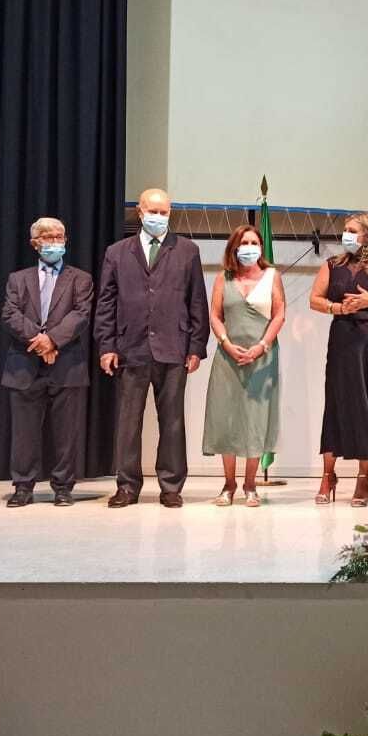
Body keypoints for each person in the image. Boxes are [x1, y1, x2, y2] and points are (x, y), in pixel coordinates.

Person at [95, 188, 209, 508]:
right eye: (153, 211)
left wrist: (196, 346)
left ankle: (171, 486)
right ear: (140, 212)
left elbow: (196, 300)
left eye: (165, 212)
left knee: (172, 421)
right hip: (130, 347)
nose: (159, 217)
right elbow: (105, 304)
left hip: (174, 346)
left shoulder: (187, 250)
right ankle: (127, 486)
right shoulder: (117, 252)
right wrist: (106, 346)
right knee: (128, 422)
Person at [310, 212, 368, 507]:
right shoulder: (333, 265)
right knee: (336, 403)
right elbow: (315, 299)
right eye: (345, 230)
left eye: (352, 230)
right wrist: (338, 309)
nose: (346, 235)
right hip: (342, 338)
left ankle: (363, 479)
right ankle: (328, 474)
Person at [0, 217, 94, 508]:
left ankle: (64, 487)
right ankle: (23, 486)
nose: (55, 242)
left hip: (67, 363)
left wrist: (53, 340)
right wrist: (40, 341)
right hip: (24, 364)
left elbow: (80, 315)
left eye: (60, 237)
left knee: (67, 432)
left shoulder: (81, 278)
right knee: (24, 431)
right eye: (48, 237)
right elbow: (10, 314)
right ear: (35, 243)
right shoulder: (18, 278)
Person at [203, 226, 284, 506]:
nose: (249, 246)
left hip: (262, 358)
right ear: (234, 247)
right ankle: (229, 484)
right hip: (228, 357)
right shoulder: (222, 278)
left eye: (254, 242)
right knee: (227, 418)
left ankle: (251, 485)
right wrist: (225, 342)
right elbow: (214, 315)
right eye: (244, 242)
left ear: (261, 247)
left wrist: (261, 346)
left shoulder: (272, 276)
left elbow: (279, 314)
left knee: (255, 419)